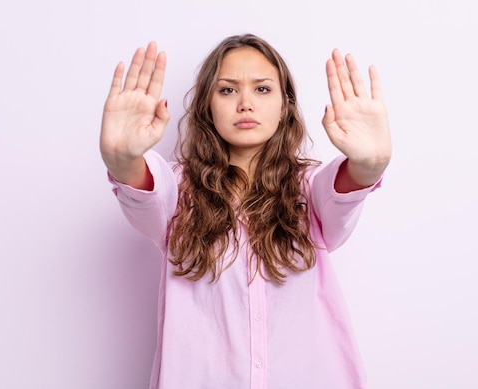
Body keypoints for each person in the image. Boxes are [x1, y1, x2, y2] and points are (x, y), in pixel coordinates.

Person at [100, 33, 391, 389]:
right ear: (207, 105)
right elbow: (145, 189)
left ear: (285, 105)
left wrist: (369, 165)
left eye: (263, 89)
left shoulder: (309, 187)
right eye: (227, 90)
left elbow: (344, 189)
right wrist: (123, 159)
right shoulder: (178, 190)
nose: (245, 104)